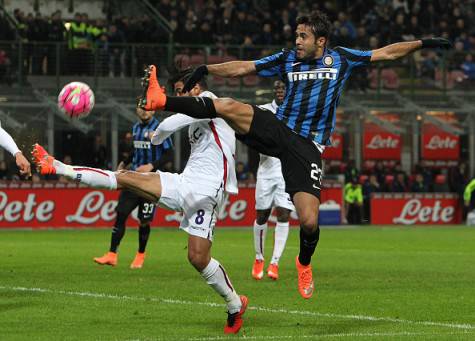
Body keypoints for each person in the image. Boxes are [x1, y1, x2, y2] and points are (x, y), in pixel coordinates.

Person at [139, 11, 451, 299]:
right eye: (296, 35)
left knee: (310, 221)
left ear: (321, 41)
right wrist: (207, 68)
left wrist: (423, 43)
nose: (297, 41)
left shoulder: (341, 59)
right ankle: (160, 100)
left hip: (307, 147)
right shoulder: (288, 59)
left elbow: (386, 52)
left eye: (303, 36)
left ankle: (303, 263)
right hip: (279, 128)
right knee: (228, 105)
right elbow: (245, 67)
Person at [31, 70, 247, 334]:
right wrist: (157, 124)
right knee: (124, 178)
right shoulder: (192, 118)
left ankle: (234, 304)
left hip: (209, 191)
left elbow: (167, 127)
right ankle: (59, 167)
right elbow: (170, 125)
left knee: (198, 257)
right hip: (185, 183)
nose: (178, 96)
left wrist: (157, 119)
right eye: (176, 90)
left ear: (197, 88)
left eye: (182, 90)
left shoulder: (211, 100)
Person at [93, 104, 172, 269]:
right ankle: (111, 254)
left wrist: (151, 165)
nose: (144, 110)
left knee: (144, 221)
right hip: (133, 179)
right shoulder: (136, 128)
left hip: (151, 182)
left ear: (153, 109)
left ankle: (140, 255)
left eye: (147, 107)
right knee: (121, 214)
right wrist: (125, 162)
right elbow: (134, 150)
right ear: (136, 110)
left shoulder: (159, 128)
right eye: (140, 107)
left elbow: (168, 154)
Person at [252, 80, 294, 281]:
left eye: (283, 88)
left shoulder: (296, 112)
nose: (279, 91)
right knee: (262, 215)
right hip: (266, 170)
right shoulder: (264, 110)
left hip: (287, 170)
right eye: (277, 88)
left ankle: (274, 262)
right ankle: (259, 257)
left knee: (284, 214)